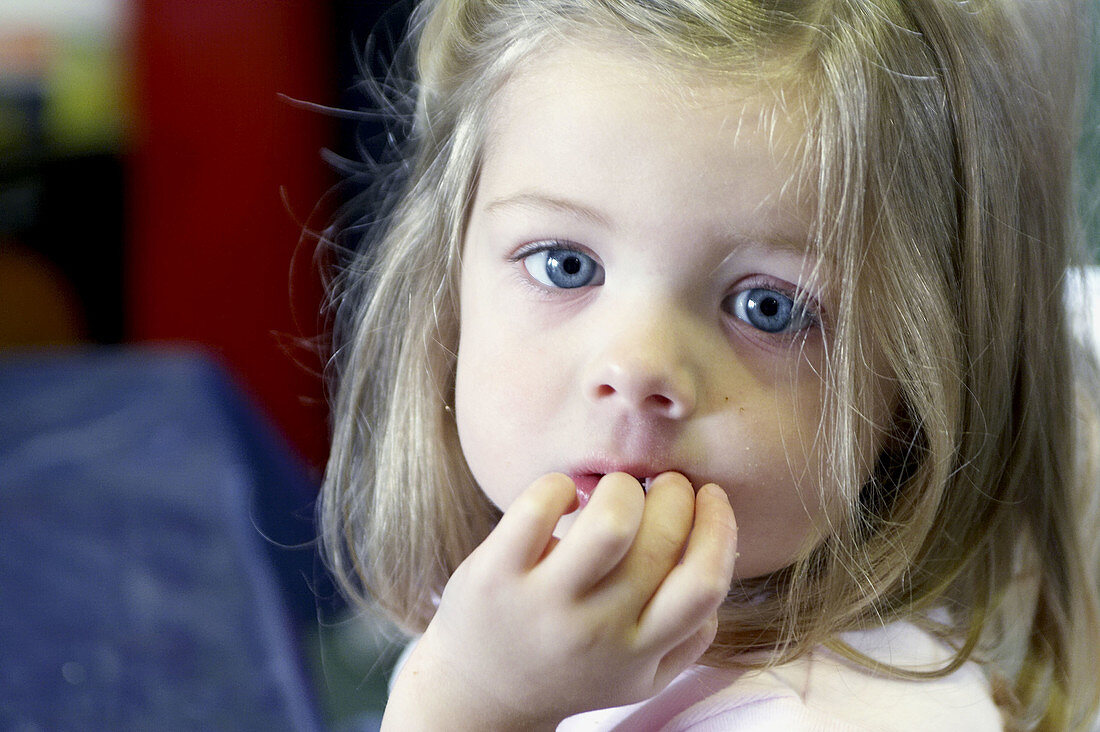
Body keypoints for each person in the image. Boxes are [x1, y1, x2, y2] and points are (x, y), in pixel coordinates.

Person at [318, 0, 1100, 729]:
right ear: (445, 293)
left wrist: (474, 705)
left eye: (769, 307)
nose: (636, 368)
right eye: (565, 265)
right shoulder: (514, 612)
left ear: (911, 399)